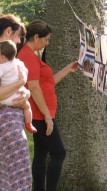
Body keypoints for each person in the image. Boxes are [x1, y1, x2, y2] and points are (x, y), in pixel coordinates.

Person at [17, 19, 78, 191]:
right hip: (39, 114)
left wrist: (68, 69)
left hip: (41, 113)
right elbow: (34, 88)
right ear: (36, 37)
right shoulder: (27, 56)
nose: (47, 43)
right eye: (46, 39)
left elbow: (48, 82)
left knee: (41, 154)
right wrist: (47, 116)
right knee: (59, 153)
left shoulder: (31, 55)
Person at [0, 14, 32, 190]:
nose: (20, 41)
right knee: (19, 176)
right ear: (8, 31)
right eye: (18, 36)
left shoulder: (9, 60)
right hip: (7, 126)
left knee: (8, 177)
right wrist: (20, 84)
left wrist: (24, 93)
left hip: (12, 121)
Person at [0, 40, 37, 133]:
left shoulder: (2, 66)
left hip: (6, 98)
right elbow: (25, 72)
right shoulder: (18, 62)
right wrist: (22, 81)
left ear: (2, 57)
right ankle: (29, 124)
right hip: (18, 94)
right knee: (27, 107)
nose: (19, 40)